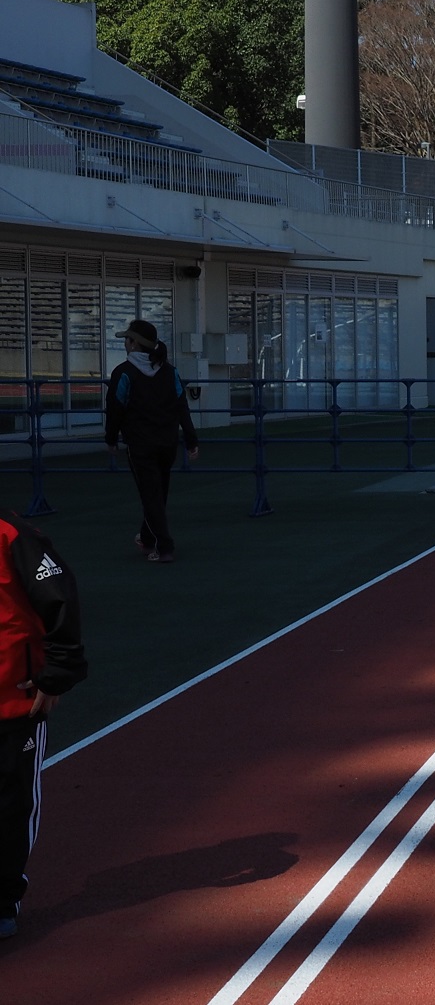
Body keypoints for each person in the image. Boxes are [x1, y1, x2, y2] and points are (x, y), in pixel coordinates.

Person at [0, 510, 85, 940]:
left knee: (11, 805)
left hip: (13, 703)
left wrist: (57, 671)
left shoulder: (12, 536)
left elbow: (59, 596)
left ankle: (2, 902)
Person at [104, 319, 198, 563]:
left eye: (127, 339)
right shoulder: (169, 371)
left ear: (134, 344)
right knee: (159, 492)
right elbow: (181, 406)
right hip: (168, 442)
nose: (125, 343)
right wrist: (191, 440)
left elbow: (115, 408)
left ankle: (164, 546)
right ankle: (147, 538)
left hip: (140, 444)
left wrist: (111, 439)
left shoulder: (124, 372)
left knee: (150, 494)